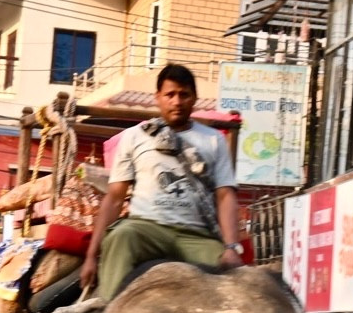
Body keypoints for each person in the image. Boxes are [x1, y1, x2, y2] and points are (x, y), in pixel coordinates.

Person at [80, 63, 242, 300]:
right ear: (158, 98)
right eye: (170, 94)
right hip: (147, 229)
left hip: (195, 235)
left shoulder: (214, 140)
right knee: (121, 237)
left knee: (233, 277)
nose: (177, 101)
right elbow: (114, 198)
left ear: (194, 98)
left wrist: (231, 248)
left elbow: (226, 196)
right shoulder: (135, 136)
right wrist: (91, 256)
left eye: (184, 95)